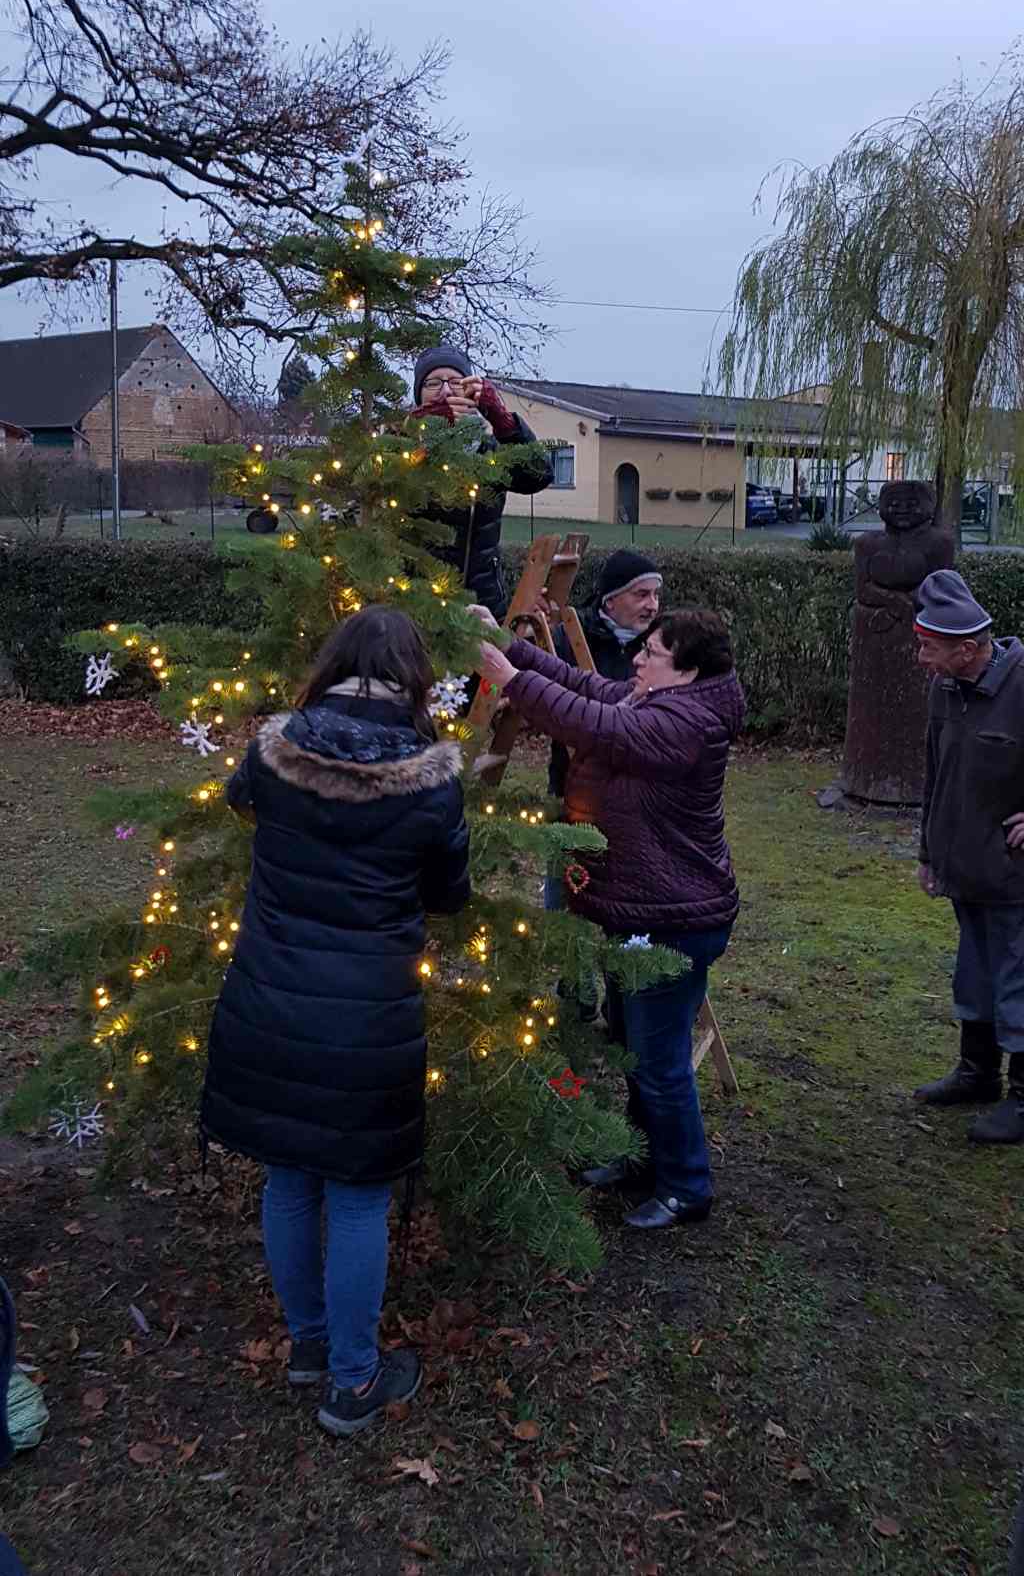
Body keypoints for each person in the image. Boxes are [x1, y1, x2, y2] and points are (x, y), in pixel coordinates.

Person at [200, 608, 470, 1437]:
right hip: (366, 1019)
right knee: (357, 1199)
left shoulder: (276, 751)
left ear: (334, 663)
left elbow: (240, 801)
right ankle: (354, 1383)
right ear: (413, 676)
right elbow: (447, 897)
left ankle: (311, 1348)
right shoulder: (431, 776)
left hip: (269, 1002)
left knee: (289, 1178)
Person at [474, 607, 744, 1231]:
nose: (637, 661)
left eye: (653, 654)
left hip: (674, 917)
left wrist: (508, 678)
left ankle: (685, 1187)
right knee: (632, 1045)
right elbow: (589, 689)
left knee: (658, 1059)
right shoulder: (654, 700)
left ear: (689, 671)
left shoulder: (685, 724)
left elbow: (590, 724)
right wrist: (503, 642)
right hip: (640, 909)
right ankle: (640, 1157)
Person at [913, 568, 1024, 1146]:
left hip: (1014, 876)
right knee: (975, 972)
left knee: (1019, 979)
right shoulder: (945, 689)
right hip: (965, 867)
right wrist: (929, 852)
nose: (921, 657)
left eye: (929, 647)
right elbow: (936, 775)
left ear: (969, 648)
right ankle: (978, 1074)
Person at [542, 550, 662, 1020]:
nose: (652, 604)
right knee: (565, 893)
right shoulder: (569, 640)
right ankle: (575, 991)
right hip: (573, 790)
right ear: (612, 600)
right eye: (641, 593)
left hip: (635, 798)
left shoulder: (664, 647)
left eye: (656, 594)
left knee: (626, 903)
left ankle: (622, 1003)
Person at [410, 344, 554, 617]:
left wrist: (504, 422)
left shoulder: (487, 452)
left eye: (455, 382)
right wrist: (430, 429)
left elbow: (538, 474)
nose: (445, 390)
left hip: (481, 607)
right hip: (413, 607)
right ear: (418, 394)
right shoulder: (402, 449)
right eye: (432, 383)